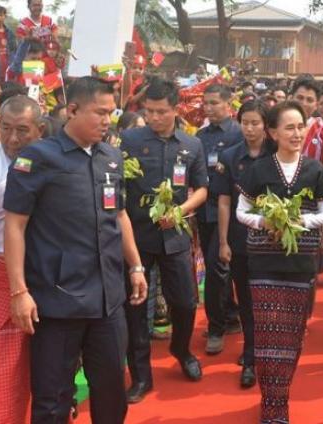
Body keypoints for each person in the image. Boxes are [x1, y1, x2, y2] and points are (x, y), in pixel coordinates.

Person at [3, 76, 148, 423]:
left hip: (108, 300)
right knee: (52, 398)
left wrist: (136, 266)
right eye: (99, 112)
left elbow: (121, 215)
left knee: (112, 392)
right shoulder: (37, 158)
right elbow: (15, 225)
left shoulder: (111, 156)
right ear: (71, 110)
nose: (107, 121)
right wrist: (19, 291)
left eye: (111, 113)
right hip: (58, 300)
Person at [235, 101, 323, 423]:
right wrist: (265, 222)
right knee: (266, 338)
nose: (296, 133)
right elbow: (241, 211)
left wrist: (299, 222)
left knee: (290, 337)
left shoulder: (315, 170)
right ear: (273, 132)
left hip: (300, 265)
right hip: (263, 265)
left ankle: (281, 398)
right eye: (289, 127)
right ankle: (271, 404)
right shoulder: (259, 169)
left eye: (300, 127)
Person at [119, 79, 208, 403]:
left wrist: (181, 210)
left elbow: (202, 188)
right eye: (149, 111)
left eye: (161, 112)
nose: (154, 117)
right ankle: (141, 376)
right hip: (137, 239)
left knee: (184, 302)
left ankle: (181, 350)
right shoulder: (128, 140)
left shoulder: (191, 145)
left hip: (175, 236)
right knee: (136, 310)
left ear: (175, 109)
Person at [0, 96, 44, 424]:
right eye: (6, 129)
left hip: (40, 279)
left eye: (22, 130)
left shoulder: (48, 161)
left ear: (40, 130)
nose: (13, 138)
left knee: (35, 369)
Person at [214, 100, 271, 389]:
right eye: (245, 122)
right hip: (240, 239)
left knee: (268, 303)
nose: (249, 128)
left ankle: (268, 353)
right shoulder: (229, 156)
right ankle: (250, 359)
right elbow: (224, 202)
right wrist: (223, 242)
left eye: (255, 123)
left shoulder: (278, 153)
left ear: (265, 125)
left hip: (271, 241)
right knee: (247, 303)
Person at [197, 83, 243, 356]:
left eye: (214, 103)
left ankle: (216, 327)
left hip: (230, 208)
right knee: (216, 265)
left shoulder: (239, 133)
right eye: (206, 103)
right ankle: (229, 314)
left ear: (229, 104)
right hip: (204, 208)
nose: (209, 108)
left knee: (218, 267)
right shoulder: (200, 137)